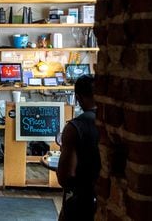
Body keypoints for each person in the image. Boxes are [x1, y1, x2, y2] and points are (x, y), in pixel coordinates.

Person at [57, 75, 100, 221]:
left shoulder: (74, 128)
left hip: (85, 202)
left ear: (77, 98)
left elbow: (65, 177)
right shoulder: (116, 123)